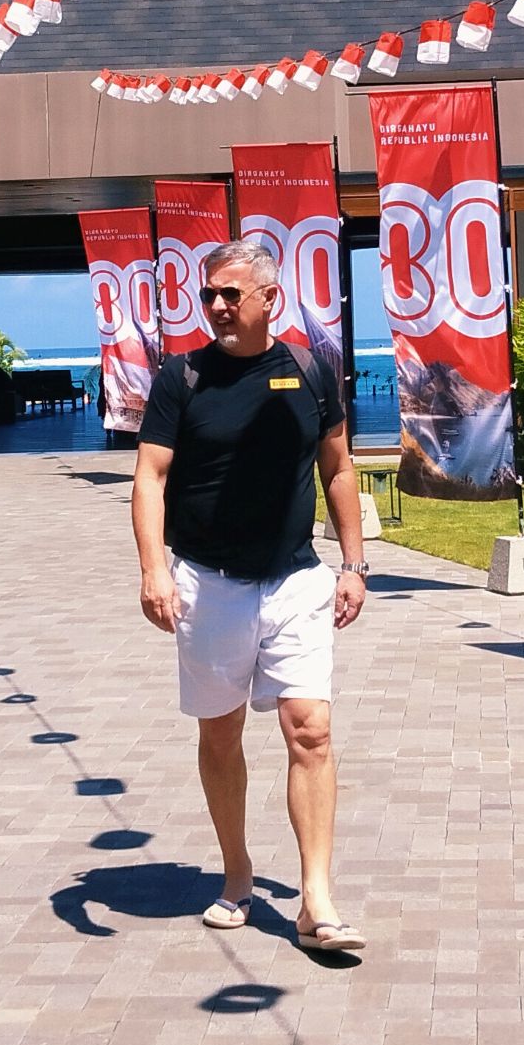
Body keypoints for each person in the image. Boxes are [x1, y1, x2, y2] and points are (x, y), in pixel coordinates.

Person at [132, 241, 371, 953]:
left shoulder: (311, 369)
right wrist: (153, 569)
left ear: (271, 299)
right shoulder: (183, 377)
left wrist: (354, 564)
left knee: (311, 730)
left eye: (230, 294)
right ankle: (237, 873)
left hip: (296, 579)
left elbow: (338, 468)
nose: (216, 306)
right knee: (220, 733)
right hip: (208, 585)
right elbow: (150, 476)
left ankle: (316, 899)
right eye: (209, 294)